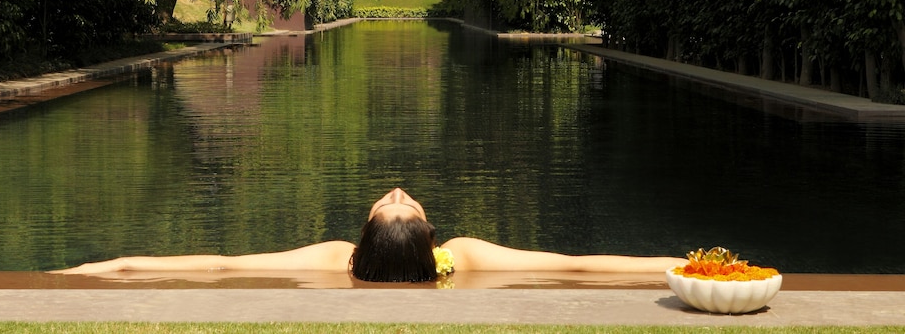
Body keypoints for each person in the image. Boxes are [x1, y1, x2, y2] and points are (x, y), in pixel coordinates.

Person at [53, 188, 685, 282]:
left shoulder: (338, 260)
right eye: (402, 202)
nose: (398, 191)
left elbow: (224, 263)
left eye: (390, 202)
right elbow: (574, 264)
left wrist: (116, 266)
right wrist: (682, 264)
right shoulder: (461, 257)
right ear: (430, 241)